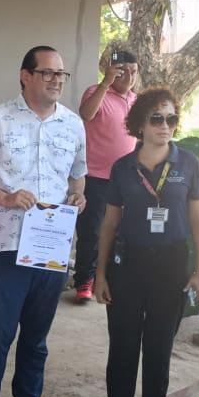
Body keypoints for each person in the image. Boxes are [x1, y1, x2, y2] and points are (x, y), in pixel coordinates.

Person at [0, 45, 87, 397]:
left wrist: (78, 197)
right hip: (7, 246)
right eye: (47, 72)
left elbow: (78, 176)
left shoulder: (72, 125)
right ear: (25, 75)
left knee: (37, 338)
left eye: (60, 74)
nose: (56, 80)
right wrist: (4, 197)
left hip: (51, 248)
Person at [93, 87, 199, 397]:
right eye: (157, 118)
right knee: (124, 346)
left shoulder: (188, 163)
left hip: (171, 266)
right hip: (128, 266)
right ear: (140, 122)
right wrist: (100, 273)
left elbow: (198, 221)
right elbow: (109, 224)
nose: (165, 125)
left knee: (159, 347)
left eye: (171, 118)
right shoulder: (123, 168)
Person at [72, 46, 139, 302]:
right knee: (91, 231)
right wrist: (105, 83)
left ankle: (109, 277)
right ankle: (84, 282)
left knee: (119, 229)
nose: (129, 77)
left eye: (134, 72)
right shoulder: (96, 92)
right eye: (124, 71)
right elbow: (86, 114)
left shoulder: (134, 100)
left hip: (125, 179)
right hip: (96, 177)